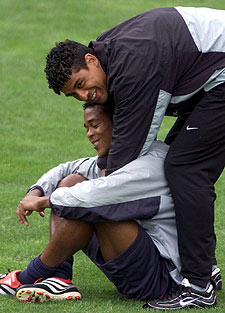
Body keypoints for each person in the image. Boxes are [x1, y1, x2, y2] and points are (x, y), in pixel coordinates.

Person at [43, 6, 225, 310]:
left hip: (219, 77)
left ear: (91, 60)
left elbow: (129, 150)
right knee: (176, 163)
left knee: (184, 168)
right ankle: (203, 266)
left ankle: (199, 285)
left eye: (80, 84)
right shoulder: (109, 55)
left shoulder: (134, 64)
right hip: (210, 80)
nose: (83, 95)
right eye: (73, 95)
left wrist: (80, 191)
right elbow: (118, 147)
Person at [2, 103, 220, 306]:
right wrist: (35, 191)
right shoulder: (117, 157)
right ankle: (58, 278)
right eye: (86, 128)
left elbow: (94, 197)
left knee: (98, 206)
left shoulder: (150, 164)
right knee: (72, 181)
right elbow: (67, 169)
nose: (89, 134)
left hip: (164, 278)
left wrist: (43, 201)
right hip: (138, 259)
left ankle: (28, 276)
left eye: (95, 125)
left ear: (119, 124)